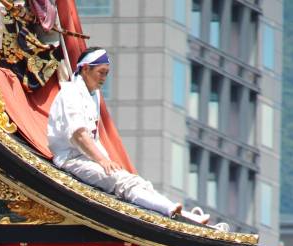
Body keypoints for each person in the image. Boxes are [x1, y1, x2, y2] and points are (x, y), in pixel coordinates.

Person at [48, 48, 209, 224]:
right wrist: (102, 160)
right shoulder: (70, 92)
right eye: (101, 72)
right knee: (121, 182)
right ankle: (169, 210)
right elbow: (79, 135)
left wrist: (103, 160)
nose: (103, 78)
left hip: (88, 158)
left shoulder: (93, 95)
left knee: (136, 181)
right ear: (85, 69)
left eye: (106, 74)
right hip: (71, 159)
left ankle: (181, 213)